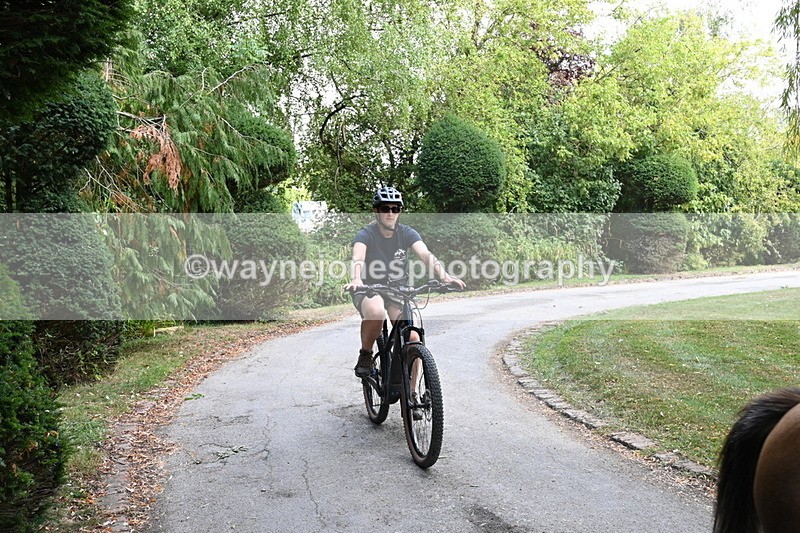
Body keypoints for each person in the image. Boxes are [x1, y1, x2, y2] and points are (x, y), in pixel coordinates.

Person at [343, 186, 466, 377]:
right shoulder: (366, 234)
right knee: (376, 313)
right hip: (368, 287)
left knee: (413, 337)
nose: (390, 213)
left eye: (395, 209)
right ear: (376, 211)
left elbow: (425, 254)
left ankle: (412, 392)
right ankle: (366, 353)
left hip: (397, 289)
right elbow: (358, 258)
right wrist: (356, 278)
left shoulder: (407, 233)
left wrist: (445, 277)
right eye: (385, 208)